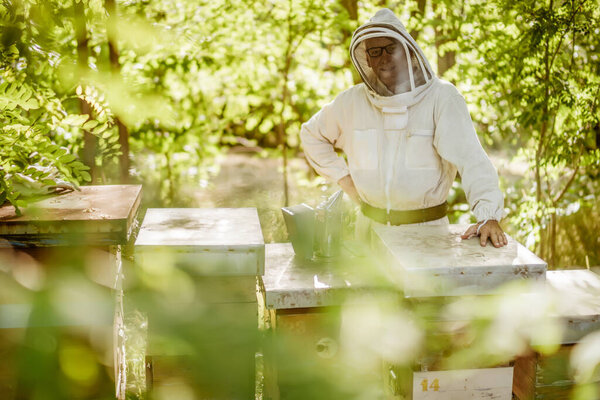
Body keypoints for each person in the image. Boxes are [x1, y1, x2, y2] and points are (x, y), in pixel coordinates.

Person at [300, 8, 507, 248]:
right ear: (367, 59)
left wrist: (488, 216)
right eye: (375, 52)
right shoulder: (352, 102)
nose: (384, 58)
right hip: (367, 234)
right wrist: (345, 180)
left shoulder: (441, 98)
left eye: (391, 48)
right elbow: (311, 134)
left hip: (427, 237)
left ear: (409, 51)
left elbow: (471, 159)